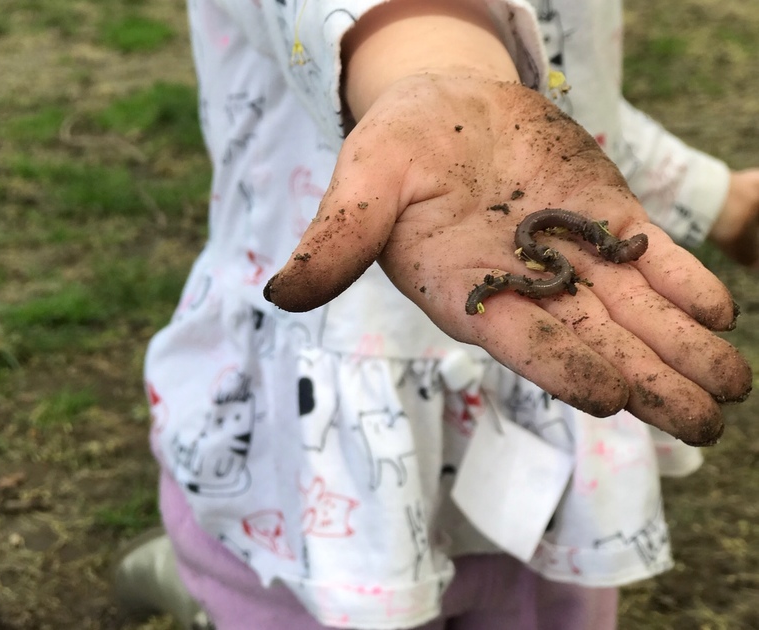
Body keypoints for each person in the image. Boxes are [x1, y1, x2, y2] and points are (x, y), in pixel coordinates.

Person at [116, 1, 758, 628]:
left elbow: (583, 105)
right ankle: (211, 589)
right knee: (299, 599)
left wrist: (715, 197)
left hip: (541, 446)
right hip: (325, 437)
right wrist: (432, 60)